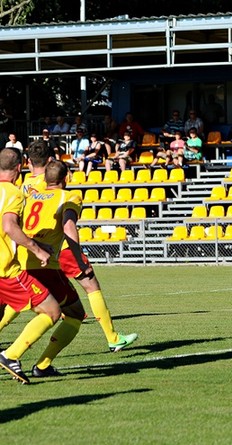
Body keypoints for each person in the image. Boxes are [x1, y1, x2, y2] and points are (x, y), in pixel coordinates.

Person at [5, 142, 138, 358]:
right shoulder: (53, 186)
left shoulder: (22, 186)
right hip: (59, 246)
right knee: (88, 287)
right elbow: (66, 223)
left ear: (27, 162)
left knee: (20, 295)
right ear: (51, 163)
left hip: (27, 248)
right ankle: (112, 337)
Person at [0, 147, 58, 384]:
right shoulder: (13, 192)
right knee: (52, 311)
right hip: (5, 271)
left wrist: (38, 243)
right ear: (19, 167)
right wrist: (36, 250)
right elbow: (9, 227)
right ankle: (10, 355)